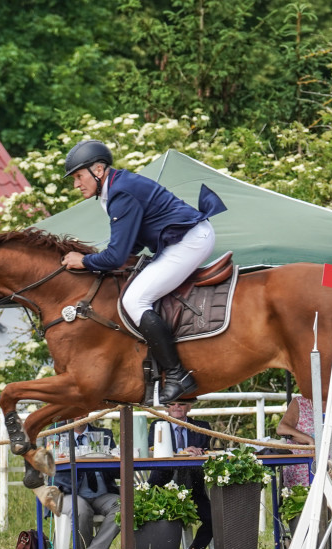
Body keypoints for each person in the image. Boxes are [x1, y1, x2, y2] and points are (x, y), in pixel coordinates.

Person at [60, 140, 227, 403]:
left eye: (79, 176)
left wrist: (86, 261)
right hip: (182, 238)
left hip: (189, 241)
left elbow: (116, 256)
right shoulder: (114, 188)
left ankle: (177, 374)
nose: (76, 184)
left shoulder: (119, 193)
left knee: (134, 300)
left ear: (99, 170)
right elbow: (131, 244)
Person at [146, 402, 213, 549]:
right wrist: (181, 452)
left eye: (182, 404)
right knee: (148, 514)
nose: (177, 407)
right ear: (166, 408)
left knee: (213, 518)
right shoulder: (158, 425)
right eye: (172, 404)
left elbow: (205, 450)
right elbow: (151, 449)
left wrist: (199, 452)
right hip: (162, 487)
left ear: (189, 407)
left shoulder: (202, 427)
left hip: (193, 489)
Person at [51, 422, 119, 549]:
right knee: (80, 508)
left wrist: (112, 457)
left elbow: (116, 470)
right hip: (69, 493)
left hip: (101, 494)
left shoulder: (104, 435)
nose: (79, 413)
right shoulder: (56, 433)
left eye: (82, 410)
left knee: (124, 505)